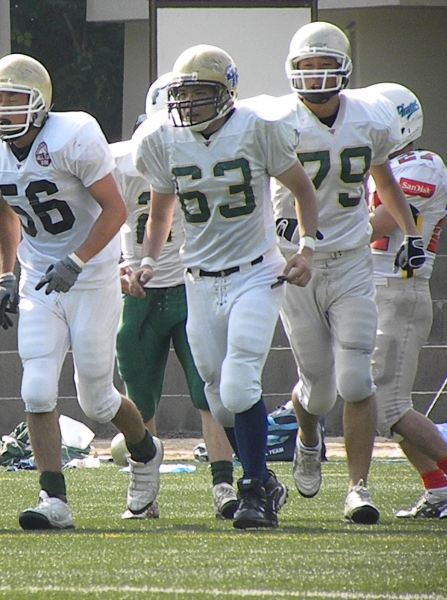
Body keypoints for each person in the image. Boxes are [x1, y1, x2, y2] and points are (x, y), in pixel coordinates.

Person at [131, 44, 319, 529]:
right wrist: (148, 260)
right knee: (217, 397)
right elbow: (160, 214)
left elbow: (302, 188)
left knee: (238, 387)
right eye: (183, 94)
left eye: (199, 93)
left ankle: (253, 489)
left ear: (225, 93)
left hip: (255, 272)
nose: (187, 104)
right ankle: (265, 479)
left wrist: (306, 249)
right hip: (199, 279)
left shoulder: (256, 127)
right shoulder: (164, 139)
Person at [0, 53, 163, 530]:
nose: (1, 111)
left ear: (38, 103)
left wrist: (76, 261)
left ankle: (145, 452)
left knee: (97, 400)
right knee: (36, 389)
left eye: (12, 100)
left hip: (92, 273)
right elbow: (8, 207)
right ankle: (53, 498)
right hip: (39, 275)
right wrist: (5, 275)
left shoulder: (73, 136)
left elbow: (115, 210)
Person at [272, 22, 424, 524]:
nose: (316, 76)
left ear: (343, 69)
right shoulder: (275, 120)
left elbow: (384, 180)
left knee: (356, 379)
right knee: (318, 390)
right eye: (307, 66)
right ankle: (308, 436)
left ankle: (358, 487)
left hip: (351, 259)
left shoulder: (369, 117)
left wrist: (410, 234)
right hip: (297, 265)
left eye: (325, 66)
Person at [113, 73, 237, 521]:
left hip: (191, 286)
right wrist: (115, 268)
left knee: (210, 394)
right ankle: (145, 491)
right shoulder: (120, 163)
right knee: (140, 399)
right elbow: (97, 217)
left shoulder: (205, 155)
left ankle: (224, 485)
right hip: (140, 292)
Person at [364, 82, 447, 519]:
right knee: (382, 407)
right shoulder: (376, 167)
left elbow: (374, 225)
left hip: (400, 291)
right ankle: (438, 489)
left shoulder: (424, 165)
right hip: (374, 292)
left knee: (391, 407)